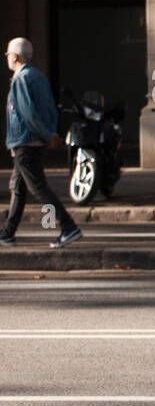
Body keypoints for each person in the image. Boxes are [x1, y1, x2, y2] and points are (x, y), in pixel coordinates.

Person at [2, 37, 81, 248]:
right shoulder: (38, 76)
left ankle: (68, 226)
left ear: (15, 56)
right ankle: (7, 233)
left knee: (38, 188)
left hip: (25, 142)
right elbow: (48, 109)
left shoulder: (21, 79)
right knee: (18, 187)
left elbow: (28, 114)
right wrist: (50, 133)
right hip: (32, 141)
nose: (7, 59)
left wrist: (47, 134)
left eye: (8, 55)